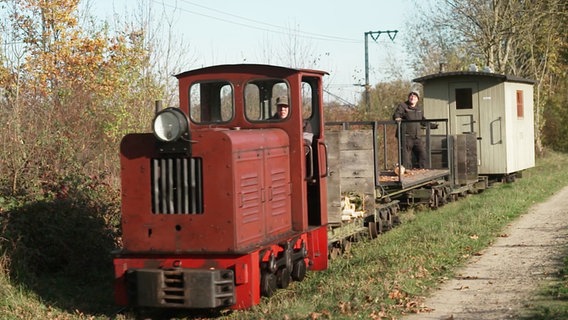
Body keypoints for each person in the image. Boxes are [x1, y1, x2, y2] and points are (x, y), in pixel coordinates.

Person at [393, 90, 430, 169]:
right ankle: (407, 173)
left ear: (417, 99)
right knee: (406, 158)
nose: (412, 97)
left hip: (417, 137)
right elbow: (397, 114)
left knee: (422, 154)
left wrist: (430, 124)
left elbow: (422, 120)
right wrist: (397, 118)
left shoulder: (419, 109)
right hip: (406, 136)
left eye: (415, 96)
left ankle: (422, 171)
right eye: (411, 95)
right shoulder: (403, 106)